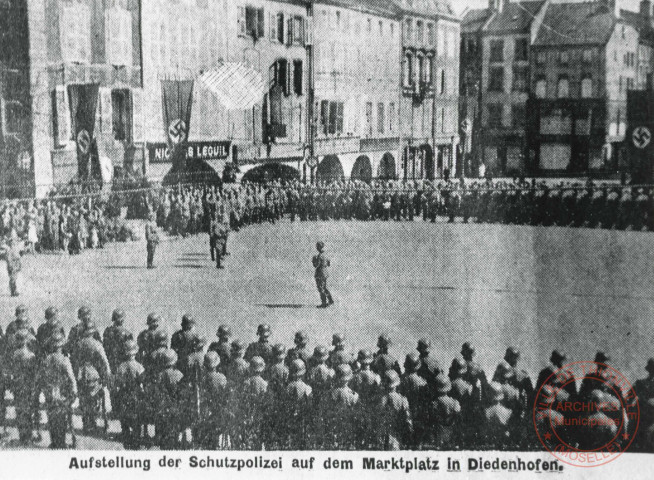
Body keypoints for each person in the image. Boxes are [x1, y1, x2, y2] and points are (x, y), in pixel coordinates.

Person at [35, 331, 77, 449]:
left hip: (50, 392)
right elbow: (71, 378)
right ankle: (61, 443)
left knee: (52, 418)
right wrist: (74, 392)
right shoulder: (64, 360)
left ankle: (54, 442)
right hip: (62, 393)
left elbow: (40, 377)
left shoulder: (46, 359)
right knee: (62, 419)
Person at [113, 339, 145, 450]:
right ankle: (136, 443)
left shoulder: (120, 367)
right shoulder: (139, 367)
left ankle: (127, 442)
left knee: (125, 421)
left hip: (124, 396)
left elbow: (116, 384)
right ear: (135, 352)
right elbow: (142, 384)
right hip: (135, 396)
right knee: (136, 422)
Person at [103, 309, 133, 373]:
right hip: (122, 362)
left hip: (110, 361)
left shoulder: (107, 331)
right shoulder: (127, 334)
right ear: (122, 319)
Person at [312, 241, 333, 308]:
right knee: (324, 287)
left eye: (317, 246)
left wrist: (314, 260)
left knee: (321, 289)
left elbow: (316, 265)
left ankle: (323, 303)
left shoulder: (319, 256)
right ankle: (330, 300)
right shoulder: (326, 255)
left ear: (318, 247)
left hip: (320, 273)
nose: (316, 248)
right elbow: (329, 264)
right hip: (325, 272)